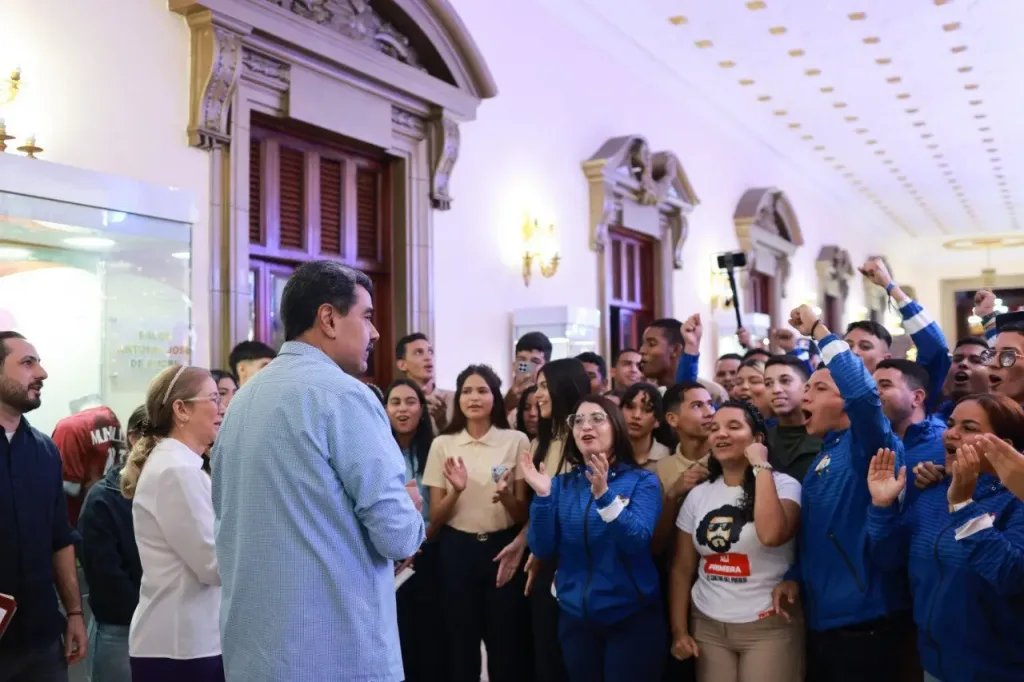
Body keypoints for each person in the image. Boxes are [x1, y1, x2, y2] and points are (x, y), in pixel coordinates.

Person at [212, 261, 425, 682]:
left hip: (256, 651)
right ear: (328, 318)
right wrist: (410, 508)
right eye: (366, 316)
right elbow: (396, 534)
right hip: (334, 650)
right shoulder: (346, 396)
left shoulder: (242, 399)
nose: (375, 333)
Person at [775, 306, 909, 682]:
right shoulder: (826, 454)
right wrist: (795, 574)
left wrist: (820, 331)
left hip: (863, 621)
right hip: (823, 617)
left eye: (819, 388)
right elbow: (821, 532)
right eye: (807, 389)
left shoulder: (868, 444)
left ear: (846, 402)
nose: (806, 397)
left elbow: (865, 397)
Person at [866, 394, 1024, 682]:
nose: (951, 433)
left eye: (969, 428)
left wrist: (964, 507)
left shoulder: (1017, 502)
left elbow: (1010, 575)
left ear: (1006, 449)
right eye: (951, 424)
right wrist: (883, 507)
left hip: (998, 670)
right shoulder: (935, 491)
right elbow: (889, 558)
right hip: (935, 665)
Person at [522, 395, 665, 682]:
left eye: (597, 418)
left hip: (630, 616)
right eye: (579, 421)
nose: (586, 426)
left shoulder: (642, 481)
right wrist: (542, 497)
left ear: (617, 428)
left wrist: (604, 496)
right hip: (576, 616)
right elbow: (542, 547)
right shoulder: (561, 485)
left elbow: (636, 540)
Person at [670, 401, 803, 682]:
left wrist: (760, 465)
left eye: (733, 426)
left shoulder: (785, 485)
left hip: (768, 622)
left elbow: (771, 535)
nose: (720, 434)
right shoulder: (698, 495)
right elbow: (682, 568)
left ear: (757, 439)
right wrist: (679, 631)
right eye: (714, 428)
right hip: (708, 623)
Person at [423, 364, 530, 682]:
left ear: (495, 398)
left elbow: (523, 513)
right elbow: (435, 518)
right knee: (461, 643)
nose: (473, 397)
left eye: (482, 390)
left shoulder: (516, 440)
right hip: (457, 550)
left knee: (505, 644)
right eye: (466, 391)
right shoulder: (443, 444)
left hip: (503, 549)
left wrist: (506, 496)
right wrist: (456, 490)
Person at [120, 365, 225, 681]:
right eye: (214, 399)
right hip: (181, 645)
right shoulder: (176, 471)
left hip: (192, 639)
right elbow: (212, 565)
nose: (221, 410)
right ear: (181, 409)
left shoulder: (182, 465)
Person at [0, 331, 87, 682]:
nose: (42, 373)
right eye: (27, 363)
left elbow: (59, 537)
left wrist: (75, 612)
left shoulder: (45, 451)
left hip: (41, 639)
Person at [516, 358, 590, 682]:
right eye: (536, 387)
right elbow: (540, 508)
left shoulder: (589, 439)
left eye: (544, 386)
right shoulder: (538, 444)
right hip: (547, 558)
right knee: (547, 655)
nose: (537, 396)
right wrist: (532, 546)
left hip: (584, 562)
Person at [383, 379, 447, 682]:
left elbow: (439, 509)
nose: (402, 409)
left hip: (429, 553)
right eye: (395, 402)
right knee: (399, 636)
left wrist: (418, 540)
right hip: (390, 559)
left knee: (432, 639)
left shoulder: (436, 449)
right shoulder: (376, 451)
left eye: (410, 401)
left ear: (422, 409)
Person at [78, 405, 146, 682]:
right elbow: (108, 580)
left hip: (168, 626)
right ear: (134, 438)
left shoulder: (174, 489)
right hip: (121, 630)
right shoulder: (104, 500)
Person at [873, 359, 946, 507]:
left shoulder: (945, 444)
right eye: (872, 386)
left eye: (885, 385)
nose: (874, 392)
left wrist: (944, 482)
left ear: (916, 397)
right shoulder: (870, 441)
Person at [762, 355, 821, 482]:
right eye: (768, 384)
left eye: (785, 380)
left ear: (807, 386)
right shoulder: (762, 441)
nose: (776, 390)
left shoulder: (826, 436)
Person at [395, 333, 454, 432]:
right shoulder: (395, 405)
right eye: (418, 352)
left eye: (430, 352)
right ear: (402, 365)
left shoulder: (454, 400)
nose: (428, 357)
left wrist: (441, 423)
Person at [621, 382, 674, 470]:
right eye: (630, 407)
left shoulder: (669, 459)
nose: (636, 415)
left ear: (657, 420)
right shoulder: (606, 454)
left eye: (646, 409)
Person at [504, 331, 552, 413]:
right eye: (522, 360)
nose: (527, 366)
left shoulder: (552, 397)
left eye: (535, 362)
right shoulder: (504, 397)